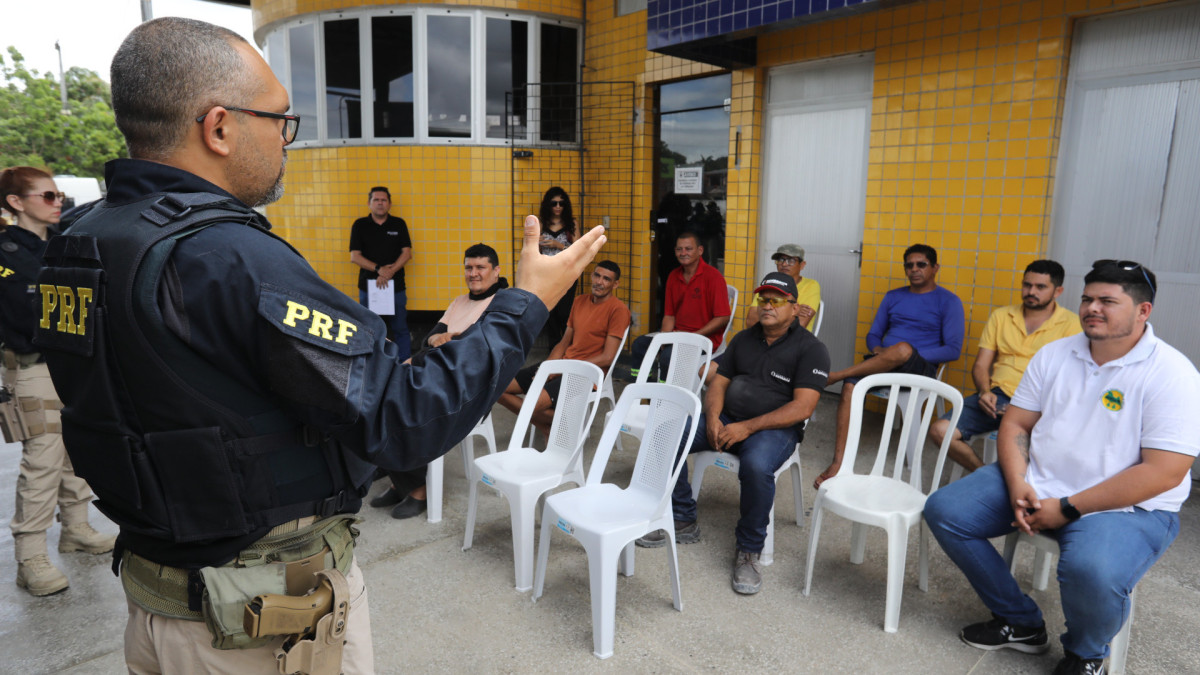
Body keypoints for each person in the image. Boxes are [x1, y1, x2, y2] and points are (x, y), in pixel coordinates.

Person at [34, 18, 604, 673]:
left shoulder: (81, 240)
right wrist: (526, 302)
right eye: (279, 119)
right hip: (258, 625)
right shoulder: (229, 258)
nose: (288, 137)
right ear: (218, 127)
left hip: (158, 599)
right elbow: (404, 419)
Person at [924, 260, 1200, 675]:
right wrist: (1018, 482)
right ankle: (1020, 622)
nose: (1092, 308)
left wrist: (1068, 507)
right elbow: (1016, 423)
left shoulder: (1172, 374)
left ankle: (1086, 654)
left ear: (1143, 311)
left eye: (1108, 301)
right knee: (946, 511)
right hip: (1041, 478)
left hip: (1125, 506)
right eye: (1088, 299)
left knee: (1091, 569)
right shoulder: (1056, 354)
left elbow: (1164, 472)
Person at [635, 272, 829, 595]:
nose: (767, 306)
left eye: (777, 300)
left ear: (794, 308)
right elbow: (719, 382)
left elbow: (803, 408)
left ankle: (749, 549)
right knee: (665, 431)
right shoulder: (744, 339)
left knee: (756, 465)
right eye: (763, 299)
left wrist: (747, 427)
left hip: (773, 430)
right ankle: (682, 517)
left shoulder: (811, 349)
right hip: (726, 418)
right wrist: (713, 417)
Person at [0, 167, 115, 597]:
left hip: (74, 364)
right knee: (43, 459)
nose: (58, 203)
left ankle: (77, 528)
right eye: (47, 196)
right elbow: (19, 312)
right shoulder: (5, 253)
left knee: (76, 449)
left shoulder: (64, 243)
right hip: (32, 367)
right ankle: (30, 557)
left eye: (59, 195)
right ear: (15, 202)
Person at [369, 243, 509, 519]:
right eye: (468, 267)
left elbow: (474, 352)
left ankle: (419, 489)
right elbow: (431, 337)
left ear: (496, 271)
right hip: (438, 376)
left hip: (470, 390)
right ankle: (399, 480)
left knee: (408, 406)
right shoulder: (460, 302)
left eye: (480, 267)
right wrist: (440, 339)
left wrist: (443, 343)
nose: (473, 273)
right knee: (384, 397)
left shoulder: (500, 305)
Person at [816, 244, 964, 488]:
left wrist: (905, 354)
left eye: (921, 264)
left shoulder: (949, 301)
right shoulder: (893, 297)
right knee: (851, 387)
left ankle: (837, 374)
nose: (914, 269)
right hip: (885, 361)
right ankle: (839, 463)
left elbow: (952, 350)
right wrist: (880, 351)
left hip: (920, 368)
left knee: (903, 348)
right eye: (909, 265)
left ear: (935, 268)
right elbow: (874, 334)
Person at [929, 260, 1080, 472]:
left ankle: (1017, 482)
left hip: (1041, 403)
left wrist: (1028, 410)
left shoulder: (1072, 325)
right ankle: (985, 475)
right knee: (940, 431)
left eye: (1040, 287)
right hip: (998, 397)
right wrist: (984, 392)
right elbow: (981, 365)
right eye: (1027, 285)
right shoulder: (1002, 316)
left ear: (1058, 291)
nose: (1031, 291)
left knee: (1050, 451)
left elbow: (1072, 379)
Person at [497, 261, 630, 436]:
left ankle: (558, 424)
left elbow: (608, 357)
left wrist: (563, 369)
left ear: (615, 284)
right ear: (592, 276)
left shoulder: (618, 310)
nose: (599, 282)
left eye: (606, 279)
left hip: (588, 374)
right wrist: (548, 368)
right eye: (597, 275)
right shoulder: (579, 301)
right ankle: (548, 425)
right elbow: (564, 342)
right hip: (564, 364)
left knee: (532, 403)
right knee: (498, 388)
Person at [630, 230, 731, 378]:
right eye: (679, 249)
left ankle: (665, 393)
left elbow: (723, 317)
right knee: (639, 345)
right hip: (677, 335)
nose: (683, 253)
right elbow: (669, 315)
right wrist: (664, 338)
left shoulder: (713, 277)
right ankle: (643, 389)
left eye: (688, 249)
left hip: (704, 339)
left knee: (668, 356)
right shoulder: (673, 276)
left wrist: (693, 336)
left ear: (700, 250)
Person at [349, 186, 412, 360]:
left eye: (383, 200)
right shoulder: (360, 225)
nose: (380, 203)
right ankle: (372, 364)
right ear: (369, 203)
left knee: (400, 328)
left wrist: (390, 272)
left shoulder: (398, 224)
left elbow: (407, 253)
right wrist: (380, 269)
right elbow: (355, 256)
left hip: (396, 287)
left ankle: (405, 363)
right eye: (376, 200)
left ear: (389, 204)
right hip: (369, 288)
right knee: (370, 329)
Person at [746, 244, 820, 332]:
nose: (784, 264)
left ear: (802, 265)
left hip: (795, 340)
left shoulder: (811, 285)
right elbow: (750, 322)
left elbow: (798, 326)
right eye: (780, 260)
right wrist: (792, 312)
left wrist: (767, 317)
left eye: (791, 260)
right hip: (761, 338)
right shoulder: (769, 283)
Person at [538, 187, 578, 345]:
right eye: (554, 203)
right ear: (547, 205)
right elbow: (531, 251)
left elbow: (578, 250)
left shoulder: (571, 224)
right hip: (547, 275)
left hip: (567, 274)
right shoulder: (541, 224)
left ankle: (568, 349)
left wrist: (558, 245)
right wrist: (535, 242)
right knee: (550, 313)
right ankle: (553, 351)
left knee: (564, 313)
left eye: (561, 203)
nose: (558, 207)